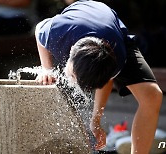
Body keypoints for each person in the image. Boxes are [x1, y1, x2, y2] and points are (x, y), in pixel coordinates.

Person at [35, 0, 163, 153]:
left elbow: (105, 79)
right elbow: (38, 30)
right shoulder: (58, 31)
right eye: (73, 75)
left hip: (114, 35)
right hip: (81, 20)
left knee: (152, 96)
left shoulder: (117, 56)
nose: (71, 80)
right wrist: (47, 69)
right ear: (70, 53)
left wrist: (95, 120)